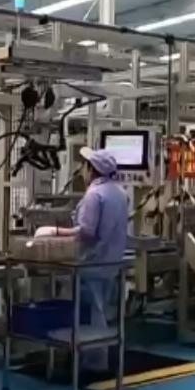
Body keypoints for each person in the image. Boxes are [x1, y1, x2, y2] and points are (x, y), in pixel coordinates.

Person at [47, 147, 129, 371]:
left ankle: (94, 360)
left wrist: (55, 232)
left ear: (91, 170)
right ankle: (97, 357)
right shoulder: (120, 193)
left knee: (91, 312)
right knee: (100, 309)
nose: (83, 170)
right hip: (111, 262)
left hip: (91, 262)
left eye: (85, 166)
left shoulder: (94, 195)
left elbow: (86, 232)